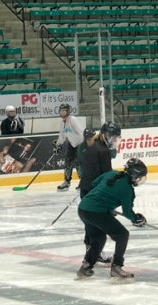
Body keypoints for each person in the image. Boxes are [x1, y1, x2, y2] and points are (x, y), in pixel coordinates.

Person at [77, 158, 147, 284]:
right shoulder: (127, 189)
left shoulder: (112, 173)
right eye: (139, 177)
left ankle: (86, 266)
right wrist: (137, 219)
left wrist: (106, 205)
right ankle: (117, 267)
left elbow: (95, 183)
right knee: (122, 235)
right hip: (96, 212)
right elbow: (127, 212)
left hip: (83, 208)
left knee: (98, 239)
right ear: (135, 175)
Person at [78, 123, 120, 267]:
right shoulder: (103, 151)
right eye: (114, 138)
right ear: (106, 135)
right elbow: (106, 177)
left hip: (86, 190)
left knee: (90, 224)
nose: (115, 141)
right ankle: (94, 253)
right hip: (94, 194)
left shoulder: (93, 146)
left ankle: (90, 250)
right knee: (98, 226)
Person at [55, 103, 84, 192]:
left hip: (80, 143)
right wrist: (58, 144)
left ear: (68, 111)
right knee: (68, 161)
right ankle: (66, 182)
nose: (62, 112)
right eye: (61, 110)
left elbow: (81, 132)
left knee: (78, 163)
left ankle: (83, 182)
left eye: (64, 110)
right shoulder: (62, 122)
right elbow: (62, 135)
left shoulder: (73, 120)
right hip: (72, 144)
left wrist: (85, 144)